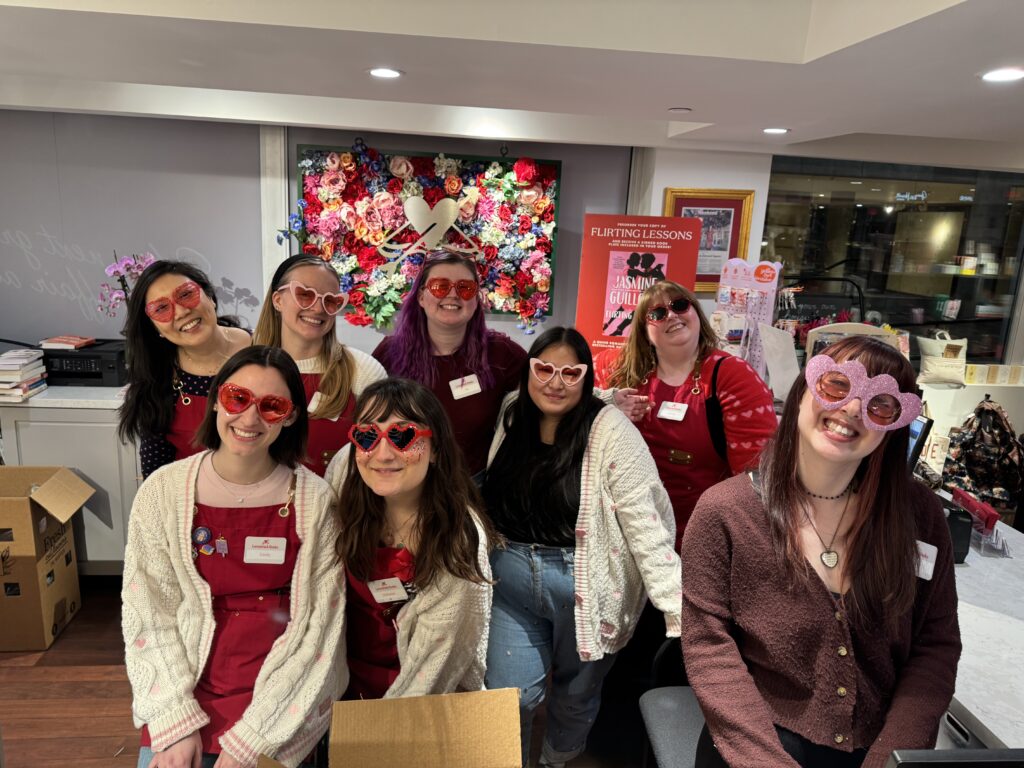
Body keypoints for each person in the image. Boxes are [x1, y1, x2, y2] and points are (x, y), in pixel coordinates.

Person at [682, 337, 961, 768]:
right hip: (754, 746)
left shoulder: (917, 515)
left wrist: (892, 757)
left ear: (894, 425)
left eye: (879, 404)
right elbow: (708, 649)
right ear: (801, 394)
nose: (851, 408)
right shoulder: (726, 512)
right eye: (836, 385)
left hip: (879, 749)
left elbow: (936, 647)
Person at [122, 346, 344, 768]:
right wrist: (174, 720)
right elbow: (149, 613)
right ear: (217, 399)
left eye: (272, 406)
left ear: (292, 416)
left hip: (283, 691)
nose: (249, 418)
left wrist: (252, 740)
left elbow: (319, 635)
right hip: (185, 679)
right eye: (237, 398)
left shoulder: (317, 501)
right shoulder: (162, 492)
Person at [483, 326, 681, 768]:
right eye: (544, 369)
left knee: (576, 696)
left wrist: (678, 608)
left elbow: (647, 526)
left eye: (570, 373)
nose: (555, 382)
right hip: (511, 580)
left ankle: (556, 760)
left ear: (587, 378)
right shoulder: (513, 411)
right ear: (528, 370)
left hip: (588, 587)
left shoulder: (611, 431)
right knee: (506, 696)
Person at [329, 377, 493, 699]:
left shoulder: (457, 539)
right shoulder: (343, 490)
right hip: (343, 682)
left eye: (402, 436)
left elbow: (433, 669)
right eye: (367, 436)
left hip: (418, 693)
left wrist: (386, 726)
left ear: (435, 451)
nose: (383, 454)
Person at [598, 279, 778, 546]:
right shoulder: (614, 369)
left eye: (680, 305)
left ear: (696, 313)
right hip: (626, 535)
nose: (672, 315)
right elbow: (574, 423)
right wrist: (607, 410)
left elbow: (756, 479)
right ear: (644, 330)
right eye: (657, 313)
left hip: (703, 537)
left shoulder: (733, 376)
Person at [372, 250, 527, 480]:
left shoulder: (501, 354)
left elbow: (544, 395)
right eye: (440, 286)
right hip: (405, 484)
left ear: (476, 300)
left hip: (474, 489)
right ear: (421, 297)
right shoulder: (389, 353)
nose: (453, 295)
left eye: (465, 288)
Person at [254, 254, 386, 476]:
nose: (318, 308)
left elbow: (384, 450)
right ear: (278, 300)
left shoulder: (363, 370)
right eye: (305, 295)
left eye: (330, 301)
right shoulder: (248, 369)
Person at [119, 260, 251, 478]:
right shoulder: (157, 382)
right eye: (161, 309)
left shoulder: (266, 348)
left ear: (209, 296)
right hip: (195, 506)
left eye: (186, 295)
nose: (180, 312)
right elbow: (157, 477)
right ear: (154, 328)